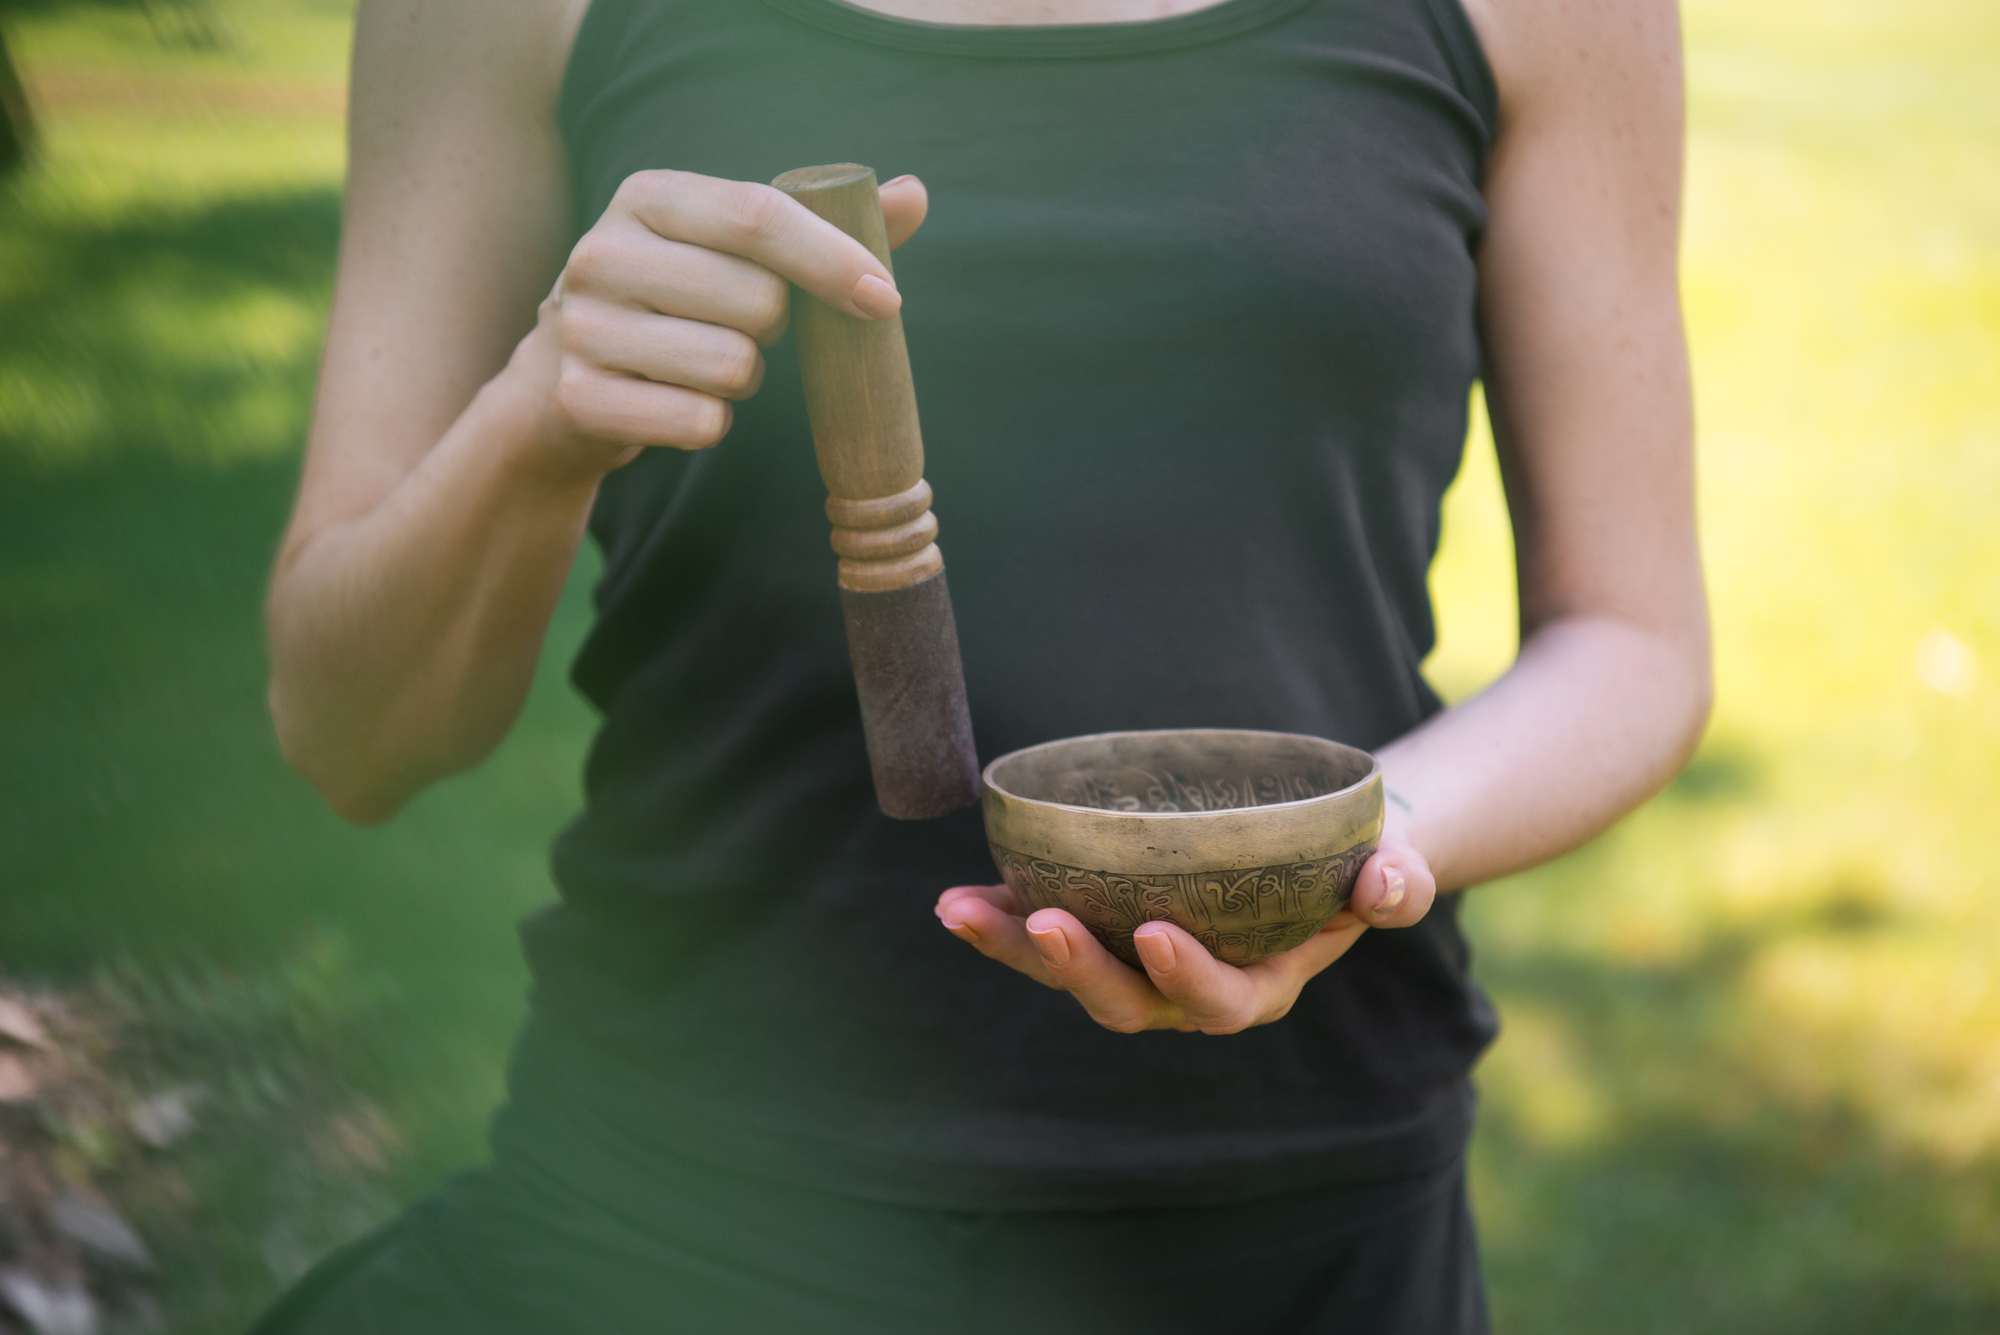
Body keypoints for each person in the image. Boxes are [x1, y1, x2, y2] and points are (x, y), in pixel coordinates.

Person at [255, 0, 1708, 1329]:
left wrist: (1352, 843)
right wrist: (536, 420)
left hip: (1299, 1228)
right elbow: (352, 734)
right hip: (677, 1212)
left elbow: (1633, 636)